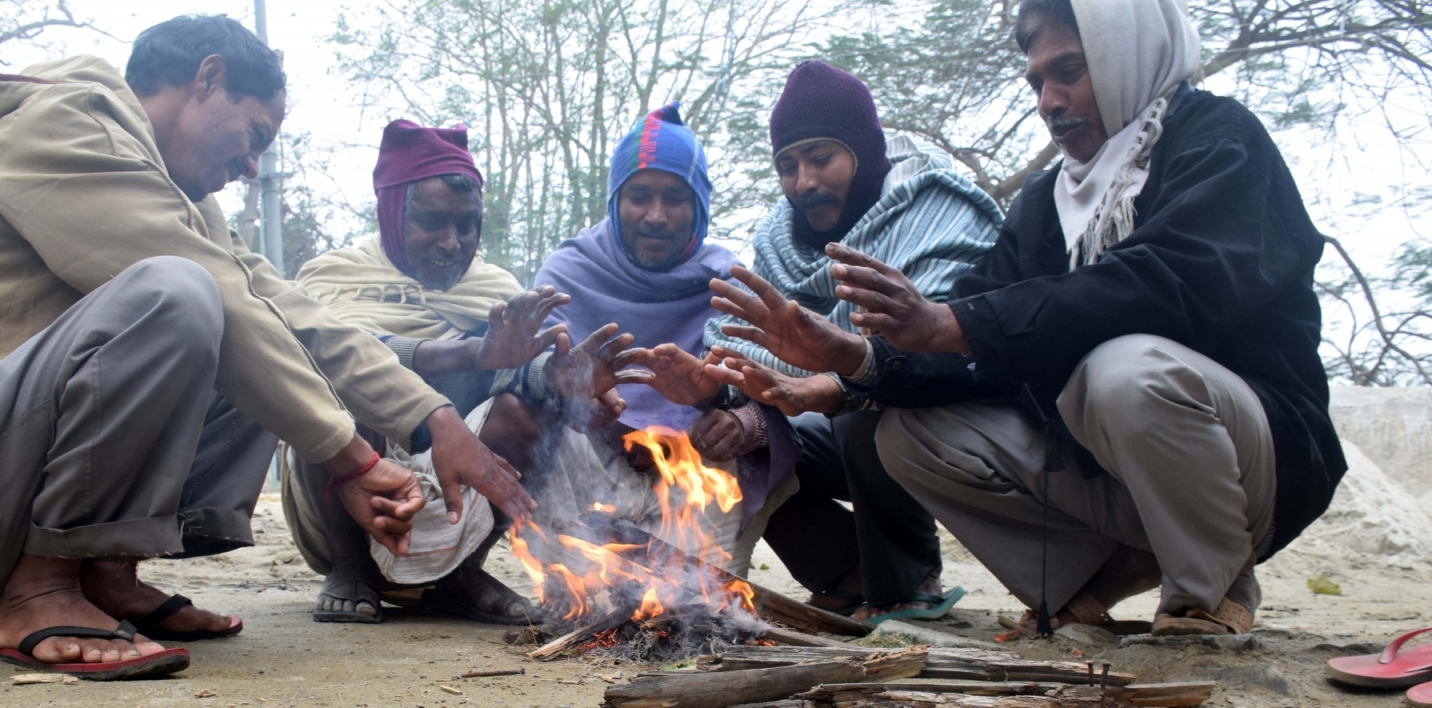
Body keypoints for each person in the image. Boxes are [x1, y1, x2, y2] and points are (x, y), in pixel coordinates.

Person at [0, 15, 531, 679]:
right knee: (181, 295)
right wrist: (352, 461)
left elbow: (290, 314)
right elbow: (218, 301)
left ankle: (105, 571)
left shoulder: (178, 195)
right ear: (208, 78)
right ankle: (39, 590)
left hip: (0, 490)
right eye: (253, 135)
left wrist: (434, 419)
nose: (251, 163)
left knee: (260, 343)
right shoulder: (57, 129)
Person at [713, 0, 1345, 637]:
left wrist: (946, 323)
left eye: (1070, 70)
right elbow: (976, 338)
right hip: (1104, 466)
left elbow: (1165, 286)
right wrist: (858, 356)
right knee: (906, 434)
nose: (1050, 99)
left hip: (1251, 465)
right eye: (1037, 82)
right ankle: (1086, 578)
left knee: (1121, 368)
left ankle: (1210, 592)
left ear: (1127, 54)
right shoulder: (1049, 200)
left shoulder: (1218, 140)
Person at [700, 61, 1002, 621]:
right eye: (787, 165)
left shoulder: (935, 208)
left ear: (863, 153)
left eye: (821, 158)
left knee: (870, 400)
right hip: (835, 424)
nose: (805, 182)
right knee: (736, 437)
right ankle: (844, 575)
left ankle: (906, 584)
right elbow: (739, 341)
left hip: (951, 424)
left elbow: (940, 349)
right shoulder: (777, 240)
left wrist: (842, 371)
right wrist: (742, 407)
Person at [281, 119, 569, 625]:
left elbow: (519, 372)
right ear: (391, 214)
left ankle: (459, 572)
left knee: (532, 410)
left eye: (467, 224)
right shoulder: (336, 276)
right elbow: (343, 354)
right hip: (343, 488)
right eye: (431, 222)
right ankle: (352, 565)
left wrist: (571, 378)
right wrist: (468, 354)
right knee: (343, 387)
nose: (452, 242)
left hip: (453, 471)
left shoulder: (494, 288)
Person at [502, 103, 799, 575]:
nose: (656, 216)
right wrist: (578, 397)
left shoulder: (729, 282)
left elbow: (780, 391)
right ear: (616, 200)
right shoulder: (567, 273)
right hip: (592, 475)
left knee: (692, 602)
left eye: (676, 198)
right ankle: (568, 571)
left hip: (691, 477)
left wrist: (743, 421)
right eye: (638, 195)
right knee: (592, 600)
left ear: (699, 206)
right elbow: (522, 374)